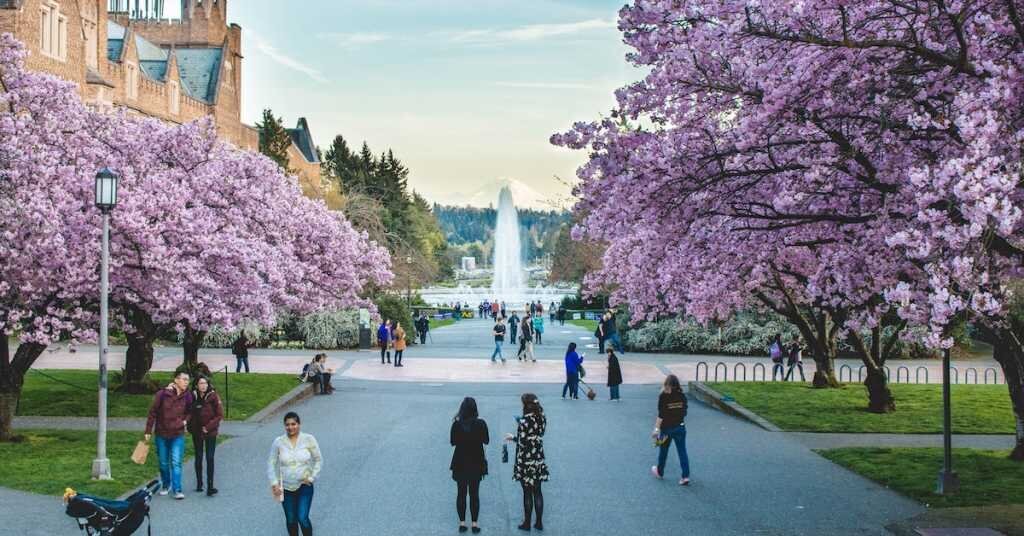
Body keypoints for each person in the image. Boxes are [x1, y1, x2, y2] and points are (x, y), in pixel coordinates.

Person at [268, 412, 322, 536]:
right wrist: (274, 483)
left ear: (299, 424)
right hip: (286, 488)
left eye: (293, 424)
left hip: (304, 486)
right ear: (284, 426)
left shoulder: (309, 439)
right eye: (287, 425)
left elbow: (318, 459)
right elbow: (271, 463)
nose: (291, 427)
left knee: (302, 517)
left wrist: (312, 477)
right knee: (291, 520)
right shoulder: (278, 442)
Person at [144, 371, 193, 499]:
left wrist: (185, 421)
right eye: (184, 379)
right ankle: (166, 484)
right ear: (176, 380)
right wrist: (148, 431)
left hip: (177, 434)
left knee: (176, 462)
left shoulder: (187, 395)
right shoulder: (162, 394)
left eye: (188, 380)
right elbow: (152, 412)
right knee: (163, 463)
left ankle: (177, 489)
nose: (186, 382)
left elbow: (190, 411)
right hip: (162, 433)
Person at [505, 393, 548, 532]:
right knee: (538, 491)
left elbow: (523, 441)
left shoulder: (524, 421)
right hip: (538, 458)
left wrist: (513, 438)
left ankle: (527, 523)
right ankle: (539, 522)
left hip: (525, 460)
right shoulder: (542, 418)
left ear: (526, 405)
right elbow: (540, 434)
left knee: (527, 492)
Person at [450, 397, 489, 534]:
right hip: (476, 462)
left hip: (460, 462)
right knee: (474, 494)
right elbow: (486, 440)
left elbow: (453, 442)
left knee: (461, 493)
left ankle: (462, 523)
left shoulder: (456, 424)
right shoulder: (481, 423)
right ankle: (474, 524)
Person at [650, 374, 690, 486]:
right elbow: (685, 412)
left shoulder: (663, 396)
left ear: (666, 384)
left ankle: (660, 471)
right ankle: (685, 476)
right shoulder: (682, 396)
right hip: (680, 427)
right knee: (682, 452)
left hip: (666, 430)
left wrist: (656, 429)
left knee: (663, 451)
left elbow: (661, 415)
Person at [188, 375, 223, 496]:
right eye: (200, 383)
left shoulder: (213, 396)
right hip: (197, 432)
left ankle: (210, 485)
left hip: (210, 432)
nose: (203, 386)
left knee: (209, 457)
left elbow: (219, 415)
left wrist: (208, 427)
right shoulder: (193, 396)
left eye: (205, 383)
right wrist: (190, 427)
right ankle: (199, 483)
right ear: (196, 385)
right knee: (198, 457)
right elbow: (188, 412)